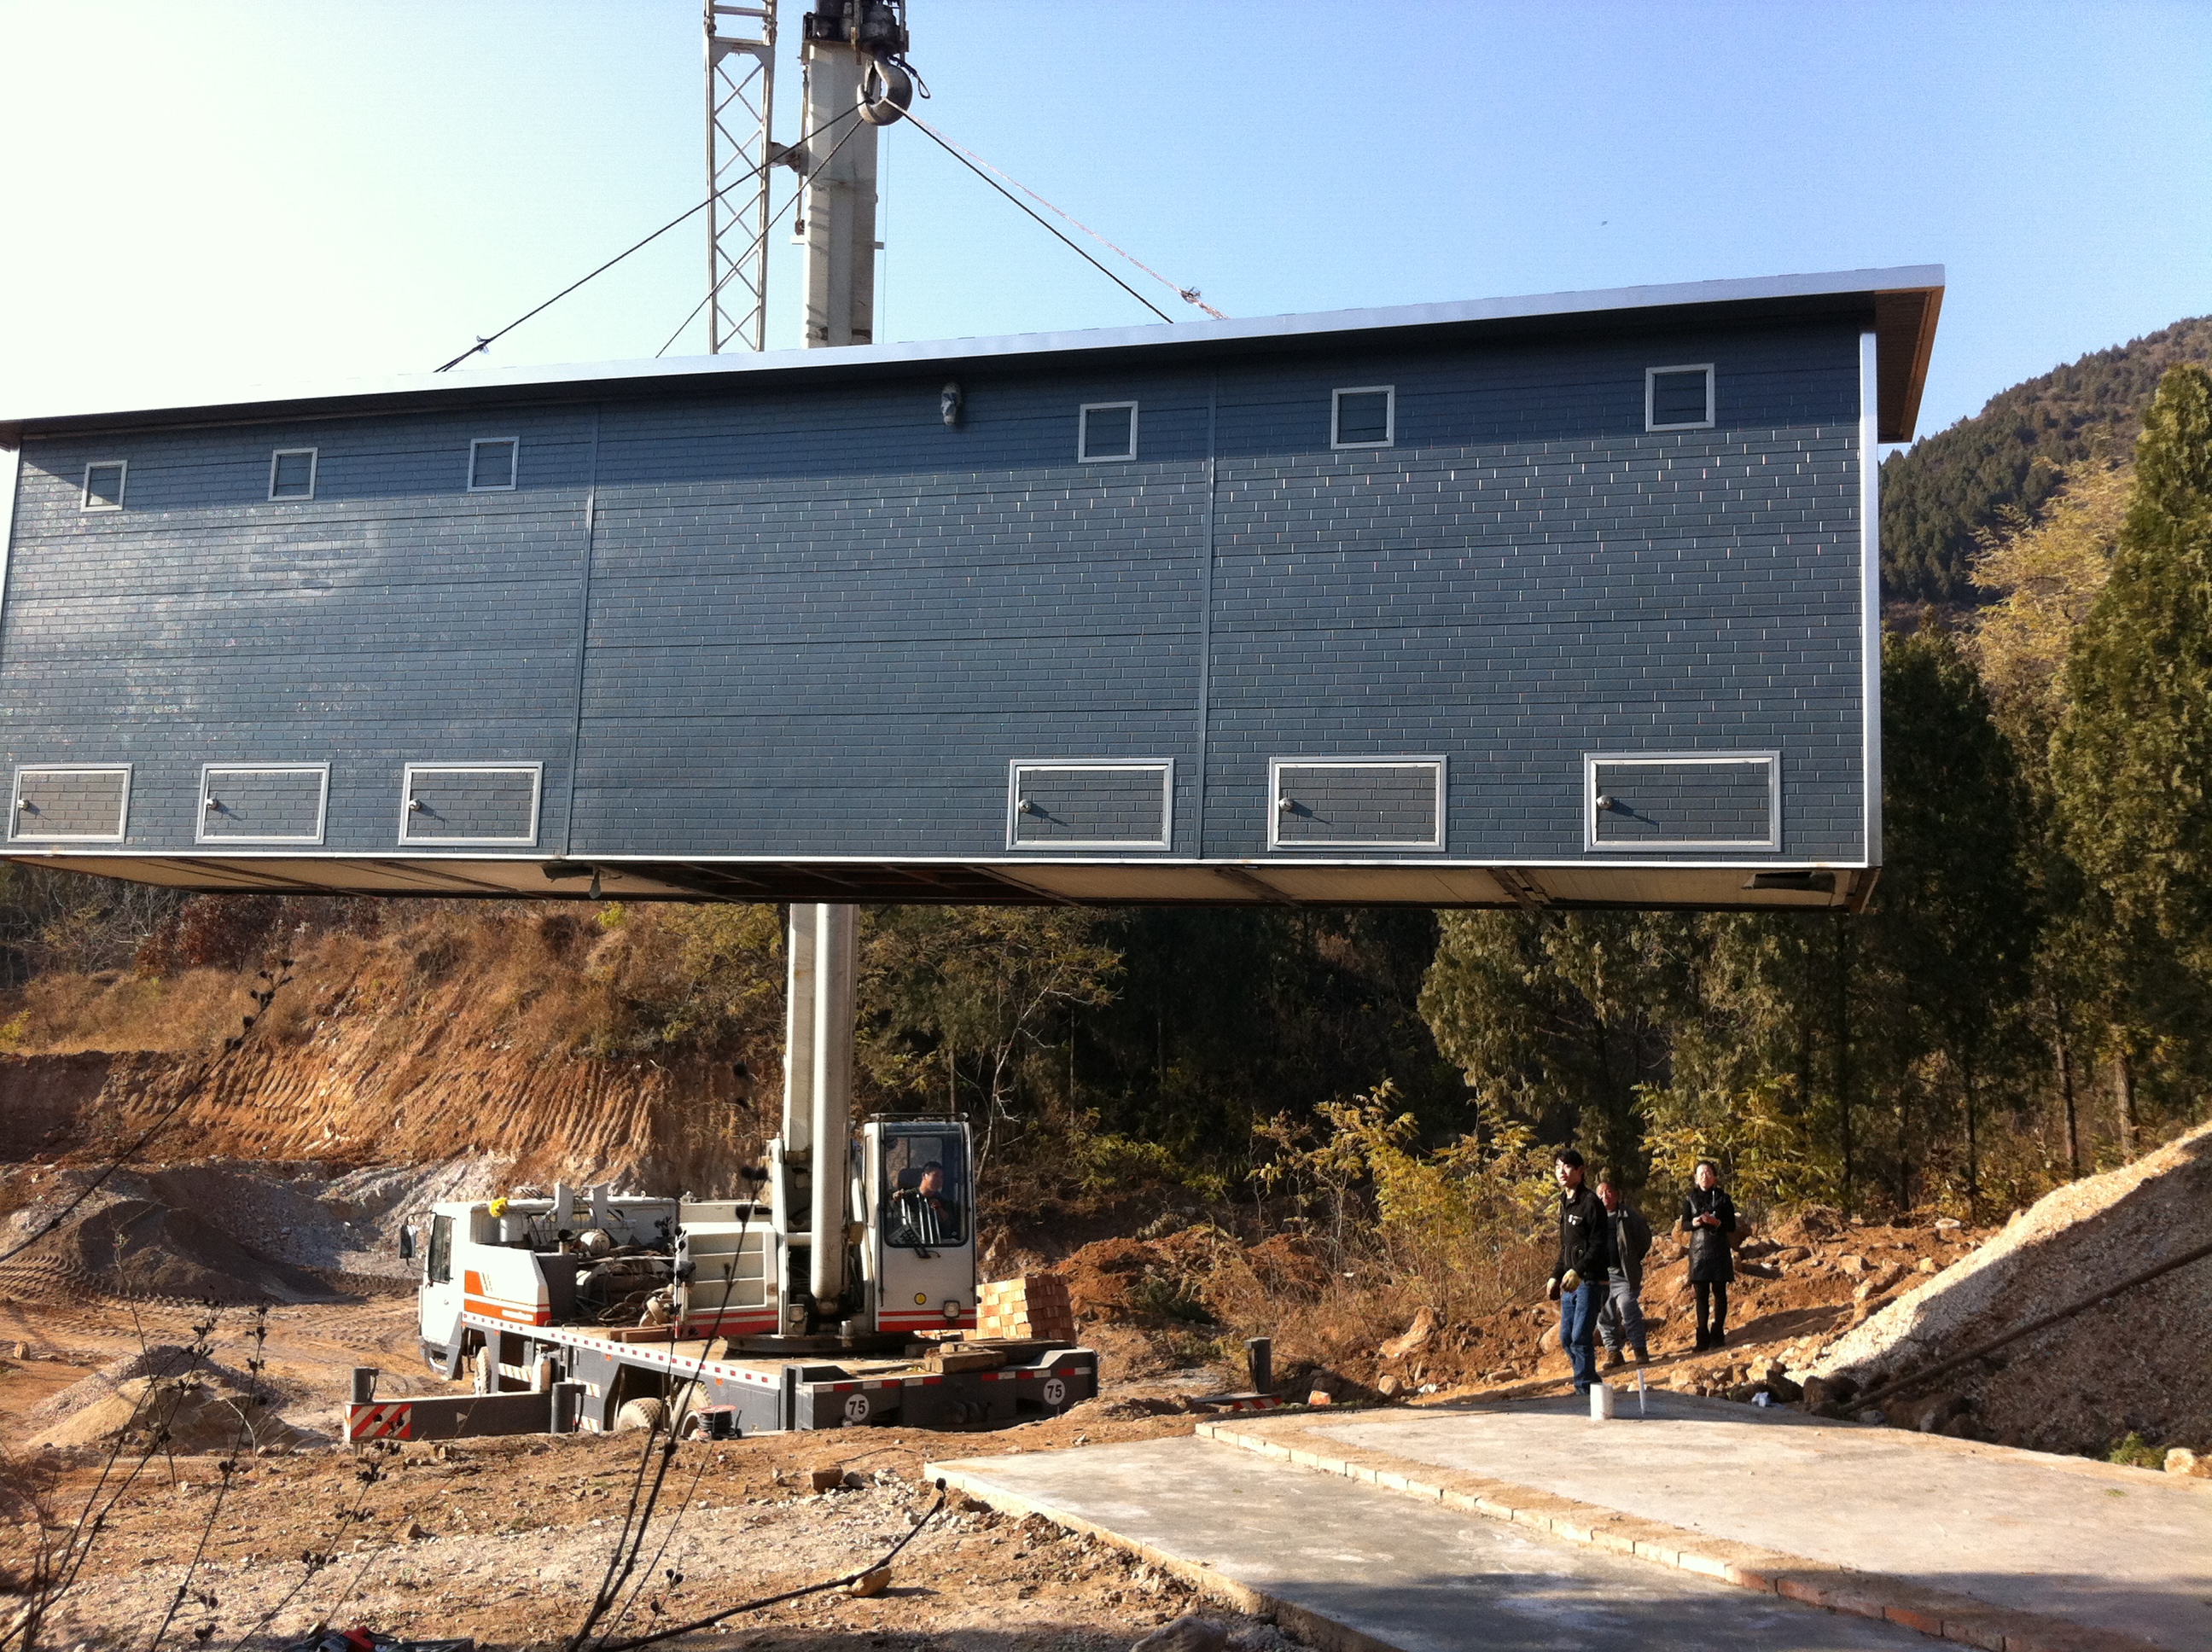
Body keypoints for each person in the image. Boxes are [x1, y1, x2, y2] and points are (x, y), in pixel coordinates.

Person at [1544, 1149, 1608, 1393]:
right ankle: (1591, 1382)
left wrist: (1579, 1271)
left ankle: (1584, 1389)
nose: (1562, 1171)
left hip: (1590, 1281)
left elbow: (1598, 1245)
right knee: (1566, 1338)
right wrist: (1555, 1275)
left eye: (1567, 1166)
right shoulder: (1565, 1202)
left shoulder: (1591, 1202)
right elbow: (1566, 1248)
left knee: (1581, 1337)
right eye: (1558, 1166)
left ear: (1580, 1171)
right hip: (1570, 1284)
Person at [1677, 1158, 1742, 1350]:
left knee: (1720, 1292)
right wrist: (1695, 1222)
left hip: (1719, 1247)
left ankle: (1718, 1333)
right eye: (1701, 1174)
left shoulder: (1723, 1198)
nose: (1705, 1177)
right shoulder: (1690, 1198)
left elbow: (1732, 1226)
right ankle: (1702, 1337)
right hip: (1698, 1250)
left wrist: (1717, 1222)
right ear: (1696, 1178)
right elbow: (1684, 1225)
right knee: (1701, 1295)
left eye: (1708, 1173)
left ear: (1715, 1177)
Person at [1592, 1168, 1651, 1368]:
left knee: (1628, 1308)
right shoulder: (1593, 1219)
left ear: (1616, 1195)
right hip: (1602, 1275)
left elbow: (1645, 1238)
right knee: (1604, 1315)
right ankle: (1613, 1353)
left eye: (1608, 1192)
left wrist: (1632, 1257)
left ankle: (1640, 1350)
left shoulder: (1627, 1215)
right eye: (1600, 1193)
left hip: (1624, 1273)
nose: (1605, 1196)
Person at [888, 1160, 962, 1248]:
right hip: (911, 1247)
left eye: (941, 1177)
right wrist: (896, 1198)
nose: (939, 1180)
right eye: (935, 1176)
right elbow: (891, 1209)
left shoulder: (943, 1200)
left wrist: (939, 1209)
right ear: (924, 1176)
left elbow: (949, 1225)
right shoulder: (908, 1196)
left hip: (938, 1247)